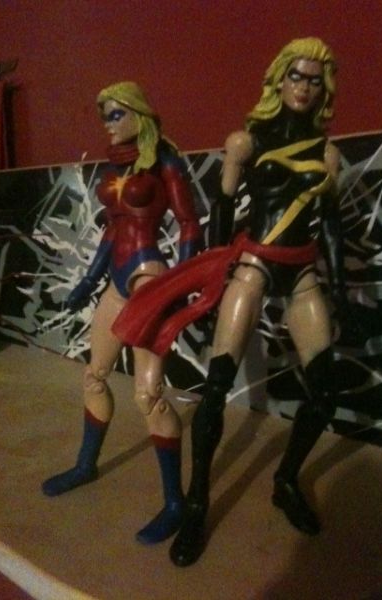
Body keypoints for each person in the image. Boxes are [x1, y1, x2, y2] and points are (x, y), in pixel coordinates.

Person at [113, 37, 354, 566]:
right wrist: (213, 279)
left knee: (323, 395)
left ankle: (285, 480)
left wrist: (338, 289)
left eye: (314, 80)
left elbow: (332, 225)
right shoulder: (245, 142)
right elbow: (221, 211)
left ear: (324, 88)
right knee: (217, 388)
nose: (304, 87)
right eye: (296, 76)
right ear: (279, 80)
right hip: (252, 265)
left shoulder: (327, 154)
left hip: (301, 271)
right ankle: (197, 503)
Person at [42, 81, 203, 546]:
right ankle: (85, 465)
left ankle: (175, 503)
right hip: (117, 277)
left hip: (147, 278)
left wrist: (182, 282)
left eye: (115, 114)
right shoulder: (117, 166)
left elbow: (188, 222)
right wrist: (88, 281)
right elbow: (113, 231)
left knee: (148, 395)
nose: (107, 124)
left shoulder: (164, 160)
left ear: (137, 113)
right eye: (104, 116)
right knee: (95, 375)